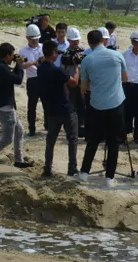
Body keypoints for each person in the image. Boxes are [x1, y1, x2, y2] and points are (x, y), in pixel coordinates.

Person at [78, 29, 128, 187]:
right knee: (113, 142)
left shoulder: (87, 60)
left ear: (89, 43)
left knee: (93, 140)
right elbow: (126, 78)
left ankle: (84, 172)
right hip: (116, 104)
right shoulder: (118, 55)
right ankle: (109, 178)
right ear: (104, 41)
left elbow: (84, 88)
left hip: (96, 105)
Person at [0, 43, 34, 170]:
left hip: (6, 105)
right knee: (7, 138)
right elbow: (18, 80)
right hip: (4, 107)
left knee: (19, 131)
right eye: (13, 55)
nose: (14, 58)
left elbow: (12, 76)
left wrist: (18, 65)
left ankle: (19, 160)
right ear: (7, 55)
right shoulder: (0, 68)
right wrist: (19, 65)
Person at [37, 40, 80, 177]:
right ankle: (72, 168)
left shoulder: (40, 69)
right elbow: (73, 82)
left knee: (51, 140)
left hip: (51, 110)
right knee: (72, 139)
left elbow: (61, 81)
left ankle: (47, 167)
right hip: (65, 109)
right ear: (54, 53)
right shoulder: (56, 70)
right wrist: (76, 67)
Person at [19, 24, 46, 136]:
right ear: (28, 38)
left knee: (47, 104)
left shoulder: (43, 47)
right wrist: (34, 63)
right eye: (33, 39)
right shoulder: (23, 51)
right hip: (32, 80)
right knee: (32, 106)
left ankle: (47, 125)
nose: (35, 41)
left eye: (37, 39)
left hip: (44, 79)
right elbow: (21, 66)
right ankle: (31, 128)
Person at [61, 27, 87, 135]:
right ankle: (69, 128)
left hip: (82, 82)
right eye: (73, 41)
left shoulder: (83, 51)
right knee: (71, 106)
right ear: (69, 40)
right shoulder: (65, 54)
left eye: (77, 40)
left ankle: (81, 128)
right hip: (71, 82)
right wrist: (65, 87)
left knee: (82, 105)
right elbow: (63, 72)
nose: (75, 43)